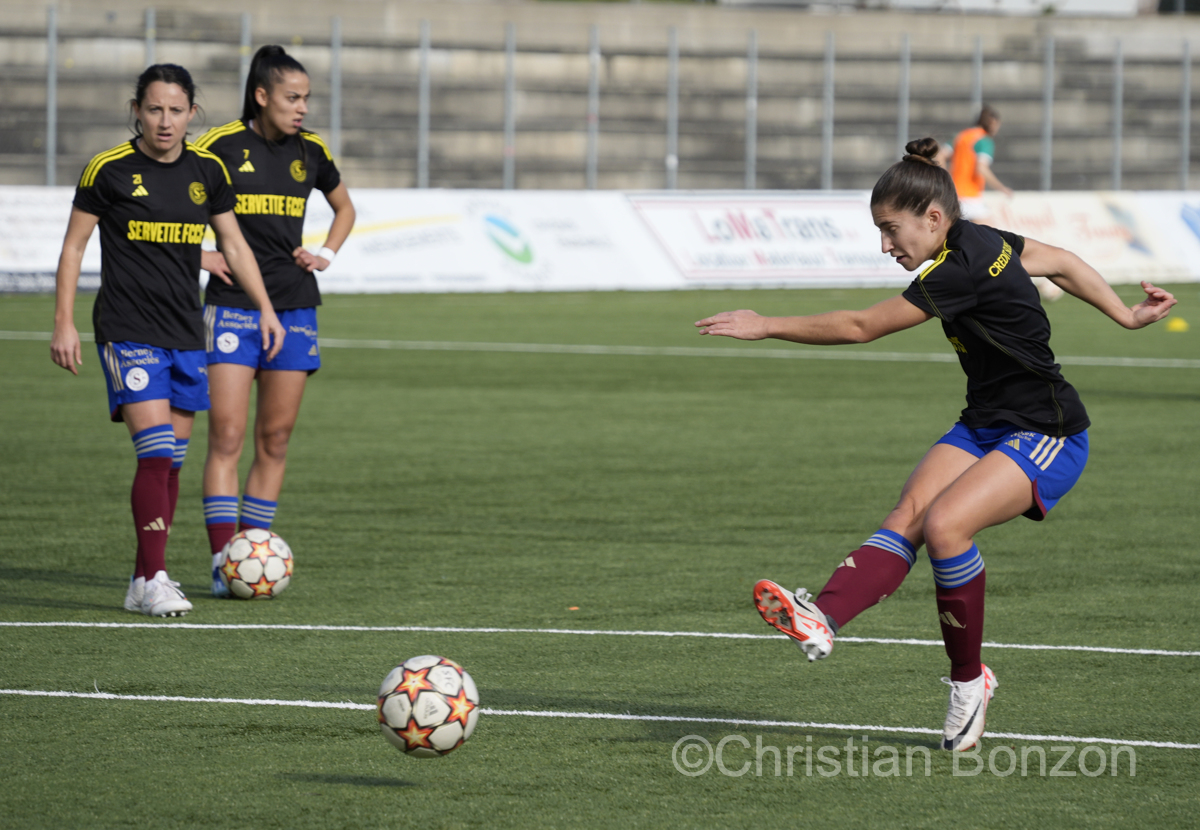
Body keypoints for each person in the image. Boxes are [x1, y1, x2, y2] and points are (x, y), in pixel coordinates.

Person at [694, 137, 1176, 752]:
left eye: (892, 231)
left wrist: (766, 324)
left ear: (932, 218)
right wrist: (1125, 315)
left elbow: (860, 326)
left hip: (1048, 432)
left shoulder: (959, 270)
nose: (887, 245)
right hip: (984, 423)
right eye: (879, 232)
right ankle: (824, 619)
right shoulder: (981, 238)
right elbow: (1062, 260)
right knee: (910, 517)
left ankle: (968, 687)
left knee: (947, 525)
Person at [50, 64, 285, 616]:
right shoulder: (108, 170)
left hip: (185, 330)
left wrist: (265, 308)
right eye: (154, 109)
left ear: (192, 114)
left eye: (175, 110)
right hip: (128, 329)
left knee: (173, 460)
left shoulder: (207, 170)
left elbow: (234, 245)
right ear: (136, 110)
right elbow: (73, 249)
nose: (164, 121)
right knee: (155, 452)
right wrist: (63, 322)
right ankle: (154, 575)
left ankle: (141, 578)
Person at [194, 45, 356, 596]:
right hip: (233, 306)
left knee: (277, 438)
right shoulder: (218, 147)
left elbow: (345, 208)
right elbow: (169, 204)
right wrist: (201, 254)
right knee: (228, 435)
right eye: (292, 97)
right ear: (261, 96)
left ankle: (253, 555)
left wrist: (326, 254)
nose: (302, 108)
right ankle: (224, 563)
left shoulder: (310, 152)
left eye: (307, 98)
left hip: (295, 305)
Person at [951, 106, 1062, 301]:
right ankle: (1005, 284)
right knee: (995, 245)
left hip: (952, 196)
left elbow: (941, 155)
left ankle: (970, 283)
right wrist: (1001, 187)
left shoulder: (963, 136)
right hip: (970, 197)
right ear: (992, 123)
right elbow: (981, 168)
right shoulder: (984, 140)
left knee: (965, 244)